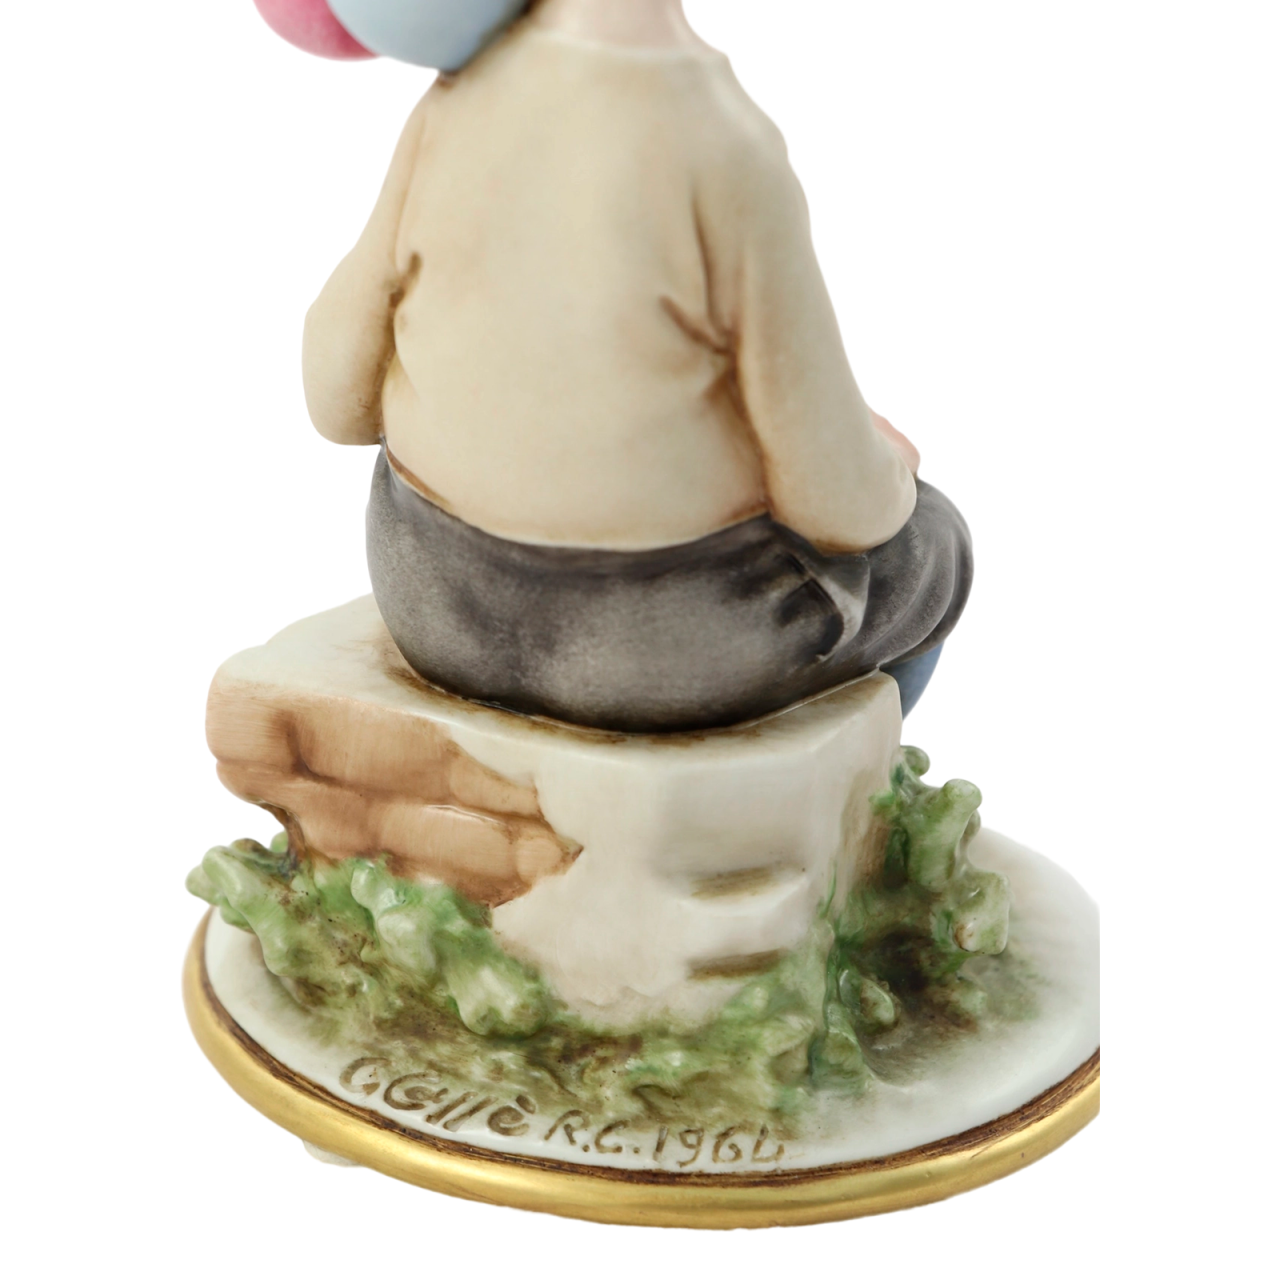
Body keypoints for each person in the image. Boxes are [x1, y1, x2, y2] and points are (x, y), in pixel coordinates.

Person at [302, 0, 972, 733]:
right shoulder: (726, 146)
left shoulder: (453, 104)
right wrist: (887, 470)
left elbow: (334, 400)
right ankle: (811, 789)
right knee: (932, 545)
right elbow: (835, 501)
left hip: (428, 592)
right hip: (658, 640)